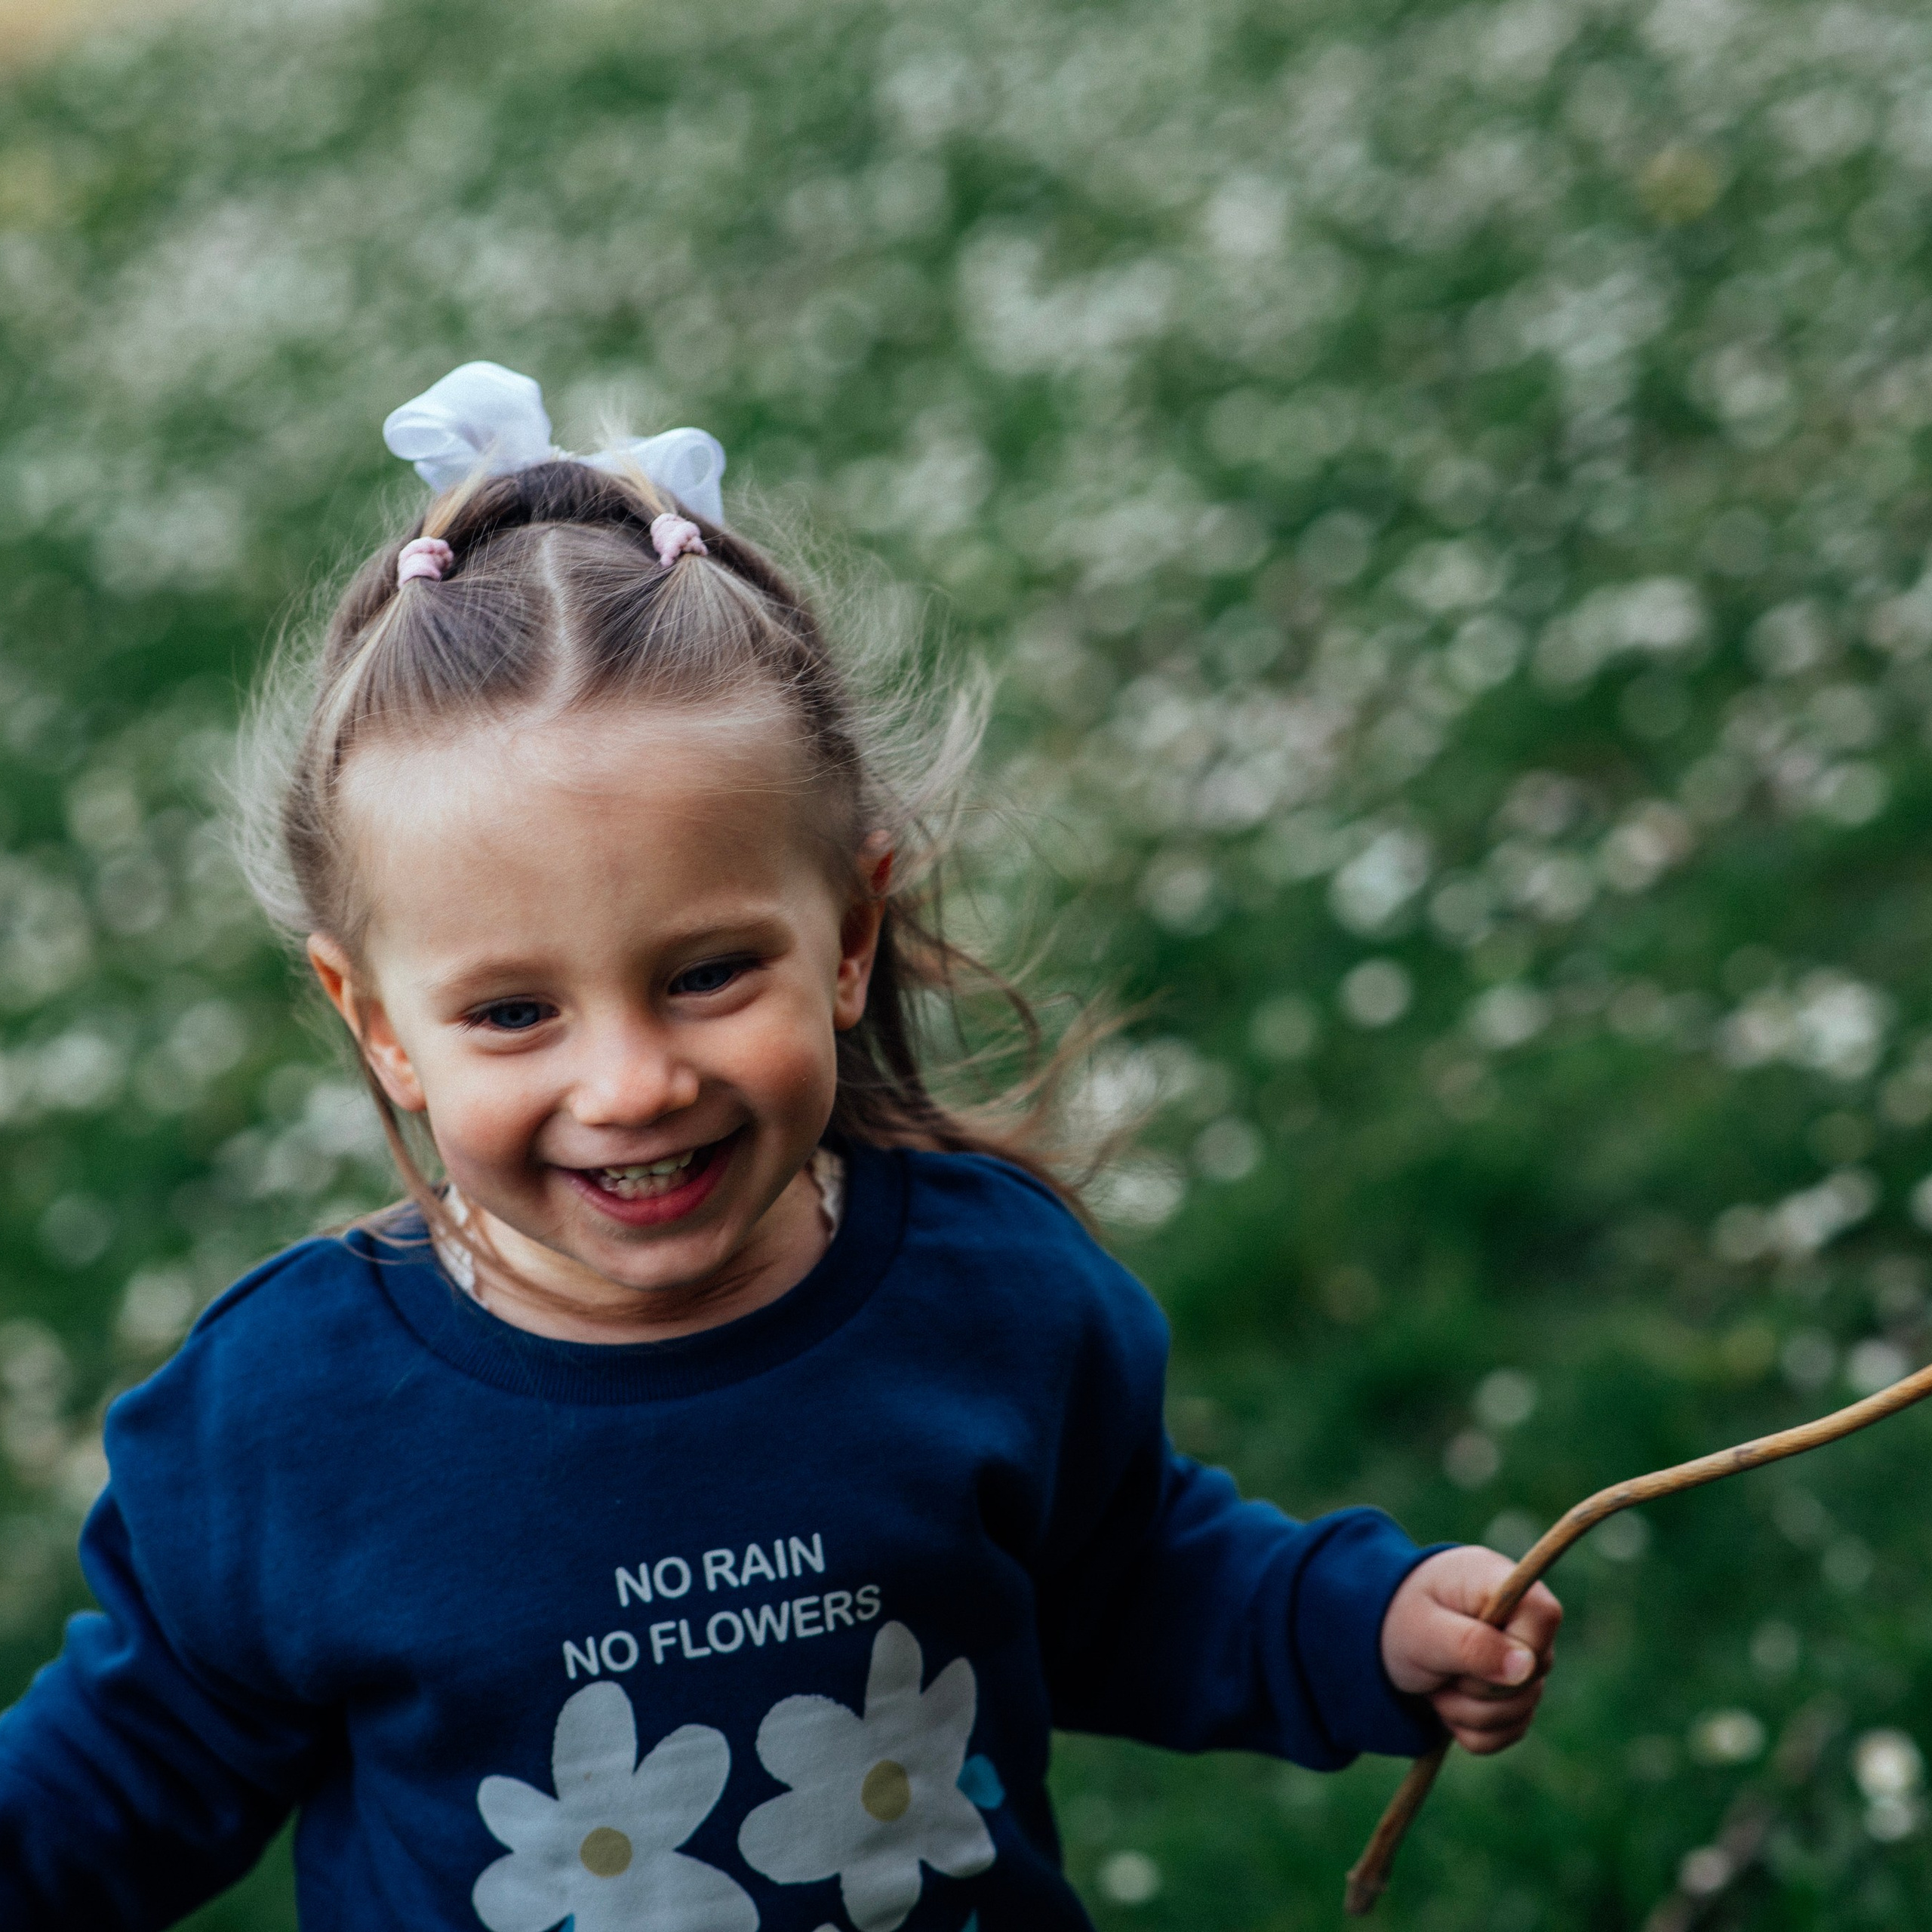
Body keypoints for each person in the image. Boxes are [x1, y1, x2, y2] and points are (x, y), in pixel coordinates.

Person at [0, 362, 1560, 1931]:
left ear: (848, 933)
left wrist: (1355, 1627)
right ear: (378, 1021)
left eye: (703, 974)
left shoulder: (988, 1297)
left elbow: (1125, 1578)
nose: (628, 1081)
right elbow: (125, 1770)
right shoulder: (288, 1419)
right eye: (513, 1010)